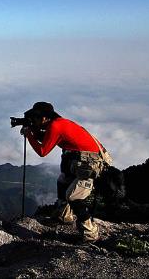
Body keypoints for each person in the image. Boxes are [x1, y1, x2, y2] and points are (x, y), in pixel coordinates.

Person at [19, 102, 113, 242]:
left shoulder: (55, 126)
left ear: (44, 118)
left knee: (74, 196)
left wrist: (30, 135)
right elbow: (49, 139)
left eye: (36, 118)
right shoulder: (59, 122)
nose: (35, 121)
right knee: (63, 181)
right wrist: (34, 131)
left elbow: (43, 151)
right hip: (83, 159)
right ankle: (64, 216)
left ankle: (90, 234)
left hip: (92, 163)